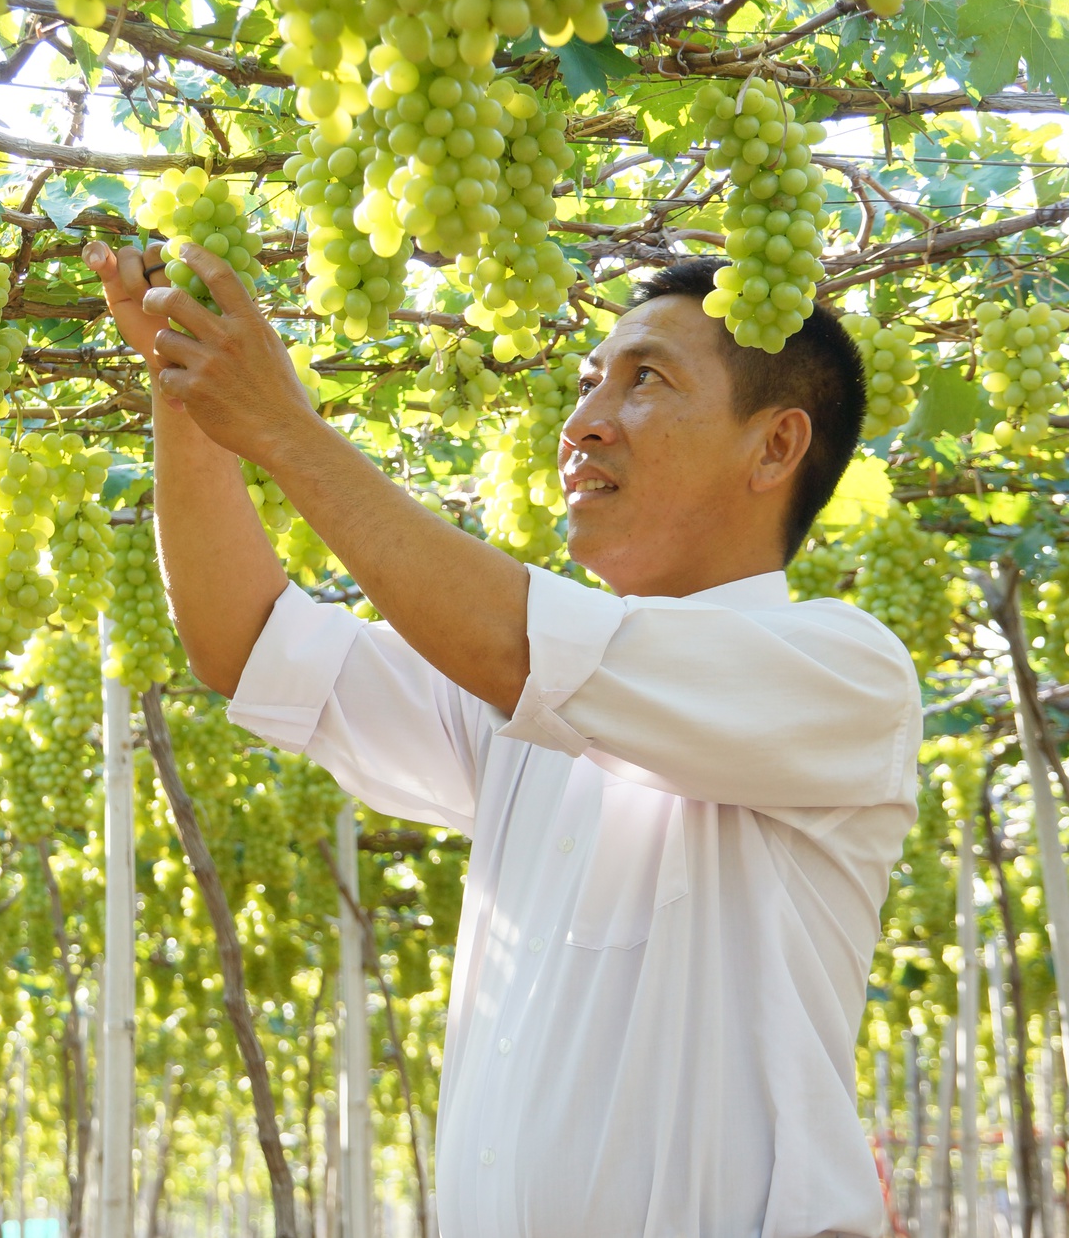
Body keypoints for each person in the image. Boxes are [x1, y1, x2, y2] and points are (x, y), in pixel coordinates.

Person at [82, 242, 920, 1236]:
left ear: (775, 447)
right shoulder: (524, 715)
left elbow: (515, 644)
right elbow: (246, 643)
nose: (580, 424)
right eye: (583, 383)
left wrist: (280, 425)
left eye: (643, 379)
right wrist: (189, 402)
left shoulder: (836, 669)